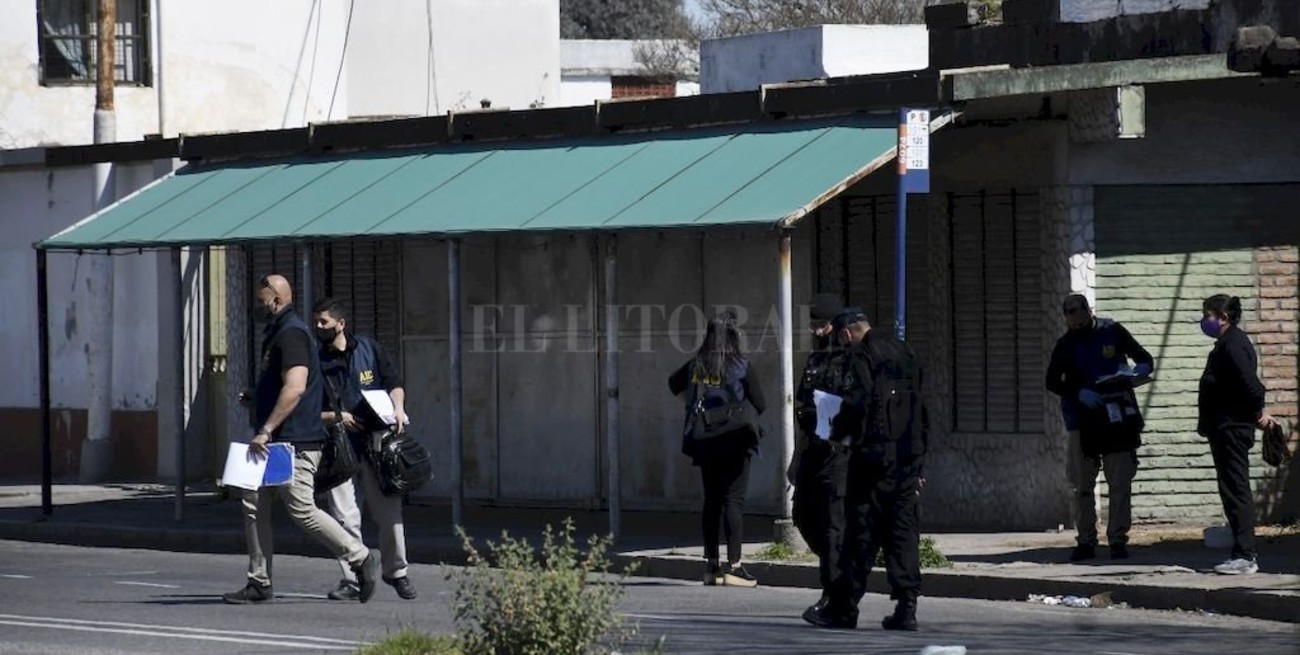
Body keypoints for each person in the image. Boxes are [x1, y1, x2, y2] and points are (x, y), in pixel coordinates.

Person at [223, 275, 379, 605]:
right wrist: (258, 397)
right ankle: (259, 581)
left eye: (261, 301)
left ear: (277, 300)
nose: (257, 307)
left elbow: (295, 387)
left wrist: (267, 428)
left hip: (291, 441)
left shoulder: (292, 333)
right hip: (274, 441)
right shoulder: (278, 332)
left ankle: (361, 557)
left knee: (302, 509)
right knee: (253, 502)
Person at [804, 308, 927, 632]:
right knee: (903, 533)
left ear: (847, 333)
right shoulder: (906, 351)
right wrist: (919, 460)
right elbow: (920, 406)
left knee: (860, 534)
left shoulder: (862, 356)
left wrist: (836, 430)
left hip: (873, 460)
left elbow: (858, 404)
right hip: (907, 458)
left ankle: (844, 609)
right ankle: (907, 608)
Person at [313, 298, 417, 601]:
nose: (319, 327)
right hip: (338, 447)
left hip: (377, 445)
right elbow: (307, 409)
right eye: (316, 322)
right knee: (344, 517)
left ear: (341, 324)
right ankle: (354, 578)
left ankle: (396, 572)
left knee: (389, 513)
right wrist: (337, 417)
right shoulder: (315, 362)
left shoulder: (369, 349)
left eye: (324, 322)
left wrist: (398, 408)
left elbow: (394, 382)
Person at [1045, 294, 1154, 562]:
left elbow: (1143, 357)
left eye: (1077, 312)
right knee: (1083, 485)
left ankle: (1117, 539)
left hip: (1117, 417)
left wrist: (1140, 370)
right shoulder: (1066, 344)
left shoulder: (1112, 331)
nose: (1074, 319)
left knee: (1120, 482)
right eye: (1068, 314)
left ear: (1088, 311)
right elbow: (1052, 381)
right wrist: (1078, 392)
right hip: (1081, 422)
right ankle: (1086, 540)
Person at [668, 313, 765, 588]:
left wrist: (696, 405)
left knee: (711, 501)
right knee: (733, 501)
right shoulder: (741, 366)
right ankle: (734, 566)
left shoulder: (696, 366)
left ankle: (711, 566)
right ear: (733, 337)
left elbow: (673, 384)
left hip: (705, 439)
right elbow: (761, 403)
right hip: (735, 440)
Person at [1197, 294, 1278, 575]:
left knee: (1236, 489)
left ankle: (1245, 556)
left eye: (1207, 315)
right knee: (1231, 487)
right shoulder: (1228, 343)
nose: (1203, 321)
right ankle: (1241, 550)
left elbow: (1252, 386)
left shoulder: (1232, 345)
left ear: (1223, 318)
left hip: (1232, 428)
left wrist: (1257, 414)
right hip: (1225, 428)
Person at [790, 293, 849, 608]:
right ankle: (837, 564)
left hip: (838, 452)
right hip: (813, 448)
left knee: (832, 524)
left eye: (822, 324)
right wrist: (796, 458)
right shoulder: (814, 360)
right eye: (813, 324)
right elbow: (804, 405)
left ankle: (833, 594)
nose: (816, 330)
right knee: (802, 514)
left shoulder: (851, 361)